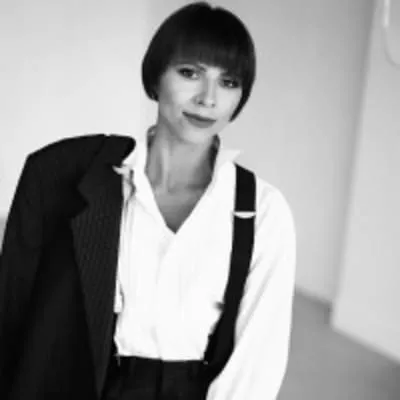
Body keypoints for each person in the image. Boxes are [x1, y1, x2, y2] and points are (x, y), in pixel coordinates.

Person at [0, 2, 296, 399]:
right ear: (156, 77)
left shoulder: (262, 209)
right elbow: (20, 313)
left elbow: (257, 362)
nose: (208, 99)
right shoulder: (90, 180)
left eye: (228, 82)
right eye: (190, 73)